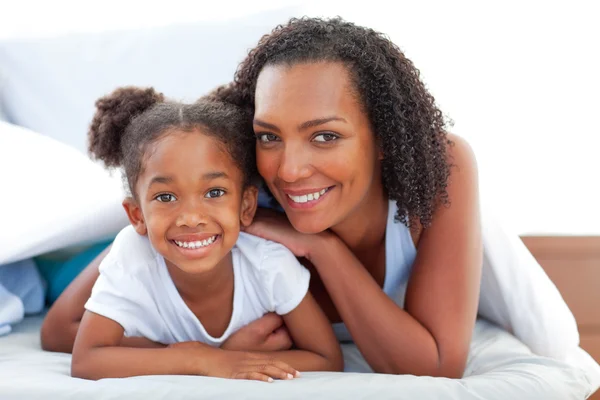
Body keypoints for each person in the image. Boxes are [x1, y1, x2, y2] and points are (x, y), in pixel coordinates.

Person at [43, 17, 482, 379]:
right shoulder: (229, 198)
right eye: (269, 135)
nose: (288, 170)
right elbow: (65, 327)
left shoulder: (439, 165)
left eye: (325, 136)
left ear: (384, 138)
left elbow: (437, 367)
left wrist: (322, 248)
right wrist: (212, 353)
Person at [69, 87, 343, 381]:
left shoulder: (269, 264)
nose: (191, 218)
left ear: (246, 205)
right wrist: (200, 358)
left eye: (214, 192)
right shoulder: (132, 256)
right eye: (165, 197)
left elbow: (327, 358)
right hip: (77, 262)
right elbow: (86, 360)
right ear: (137, 216)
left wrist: (224, 358)